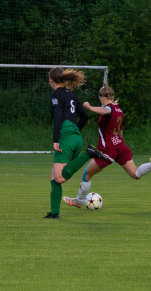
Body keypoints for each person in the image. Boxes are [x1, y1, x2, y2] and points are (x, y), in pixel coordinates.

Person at [63, 83, 151, 209]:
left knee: (87, 174)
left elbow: (106, 110)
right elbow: (120, 132)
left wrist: (90, 107)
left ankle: (79, 201)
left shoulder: (110, 108)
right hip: (120, 146)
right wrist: (117, 143)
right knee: (135, 174)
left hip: (108, 150)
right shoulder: (119, 110)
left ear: (102, 97)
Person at [44, 67, 108, 219]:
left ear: (51, 80)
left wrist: (55, 139)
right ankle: (54, 213)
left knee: (59, 177)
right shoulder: (71, 94)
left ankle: (88, 153)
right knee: (54, 177)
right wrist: (75, 132)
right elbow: (85, 116)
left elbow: (58, 115)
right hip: (76, 136)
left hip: (66, 135)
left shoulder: (56, 94)